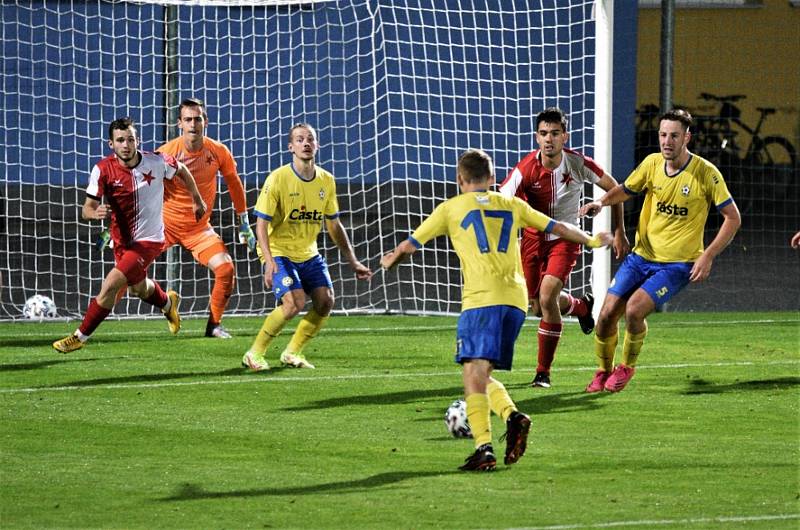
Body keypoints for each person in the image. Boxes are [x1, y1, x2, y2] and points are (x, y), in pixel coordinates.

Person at [381, 148, 612, 471]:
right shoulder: (513, 204)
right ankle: (511, 419)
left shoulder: (450, 208)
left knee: (472, 373)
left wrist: (391, 259)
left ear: (460, 180)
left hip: (481, 300)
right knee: (480, 372)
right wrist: (591, 241)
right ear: (492, 179)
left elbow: (409, 245)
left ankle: (485, 447)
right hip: (516, 302)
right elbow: (558, 227)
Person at [580, 109, 741, 393]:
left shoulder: (705, 173)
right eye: (663, 135)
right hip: (641, 257)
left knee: (634, 310)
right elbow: (626, 190)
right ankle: (603, 371)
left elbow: (733, 217)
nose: (667, 141)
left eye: (674, 136)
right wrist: (601, 203)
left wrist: (708, 255)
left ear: (686, 138)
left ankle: (626, 367)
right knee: (604, 316)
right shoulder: (652, 163)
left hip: (677, 265)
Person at [499, 107, 629, 389]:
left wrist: (619, 231)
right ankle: (581, 306)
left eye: (555, 133)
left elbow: (615, 188)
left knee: (547, 298)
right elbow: (501, 199)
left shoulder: (577, 163)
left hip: (566, 239)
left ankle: (542, 372)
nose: (549, 139)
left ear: (565, 136)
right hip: (532, 241)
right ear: (536, 137)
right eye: (544, 133)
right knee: (536, 307)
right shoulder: (524, 169)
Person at [53, 117, 206, 353]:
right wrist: (94, 214)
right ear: (110, 144)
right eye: (120, 140)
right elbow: (86, 208)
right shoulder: (102, 170)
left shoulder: (156, 161)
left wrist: (197, 199)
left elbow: (182, 170)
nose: (126, 145)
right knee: (137, 289)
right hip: (122, 242)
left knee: (110, 285)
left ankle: (79, 337)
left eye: (131, 139)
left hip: (150, 240)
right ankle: (167, 302)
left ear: (138, 141)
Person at [241, 123, 372, 371]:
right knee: (294, 303)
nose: (306, 143)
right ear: (291, 147)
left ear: (317, 145)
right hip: (279, 251)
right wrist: (269, 262)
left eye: (310, 139)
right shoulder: (278, 179)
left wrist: (353, 260)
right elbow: (261, 225)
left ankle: (292, 352)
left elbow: (334, 225)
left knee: (325, 301)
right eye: (300, 140)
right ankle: (254, 353)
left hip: (308, 253)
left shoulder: (326, 180)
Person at [158, 98, 254, 339]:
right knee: (126, 272)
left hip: (198, 230)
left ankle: (214, 326)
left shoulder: (218, 151)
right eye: (188, 119)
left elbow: (234, 182)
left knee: (225, 268)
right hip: (164, 226)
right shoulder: (166, 153)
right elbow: (141, 189)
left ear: (205, 121)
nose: (193, 124)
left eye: (197, 119)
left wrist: (244, 222)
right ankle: (89, 327)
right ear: (179, 124)